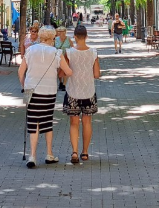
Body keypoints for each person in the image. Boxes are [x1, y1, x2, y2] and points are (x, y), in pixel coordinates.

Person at [18, 26, 73, 168]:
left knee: (32, 122)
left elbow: (20, 71)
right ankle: (49, 154)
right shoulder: (56, 52)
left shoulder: (30, 50)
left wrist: (24, 86)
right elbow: (68, 72)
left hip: (30, 90)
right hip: (48, 91)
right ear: (52, 37)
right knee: (47, 121)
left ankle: (32, 156)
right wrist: (60, 72)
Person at [64, 25, 100, 164]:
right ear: (86, 36)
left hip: (73, 91)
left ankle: (74, 151)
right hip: (88, 92)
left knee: (74, 123)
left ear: (74, 36)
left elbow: (64, 72)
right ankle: (85, 152)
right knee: (87, 122)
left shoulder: (69, 53)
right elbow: (96, 74)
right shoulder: (93, 53)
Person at [55, 27, 73, 91]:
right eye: (58, 31)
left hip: (66, 57)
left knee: (65, 70)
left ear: (65, 32)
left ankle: (64, 84)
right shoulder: (55, 39)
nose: (60, 33)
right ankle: (60, 82)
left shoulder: (68, 39)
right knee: (58, 70)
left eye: (61, 31)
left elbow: (72, 47)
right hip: (58, 57)